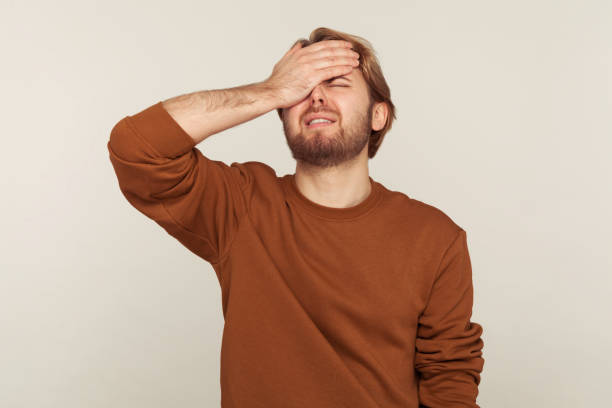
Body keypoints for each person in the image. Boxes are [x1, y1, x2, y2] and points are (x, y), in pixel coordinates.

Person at [107, 27, 485, 408]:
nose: (316, 95)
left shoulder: (436, 238)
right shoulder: (241, 204)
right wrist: (270, 89)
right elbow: (137, 149)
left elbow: (450, 377)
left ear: (378, 115)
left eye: (336, 82)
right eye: (302, 86)